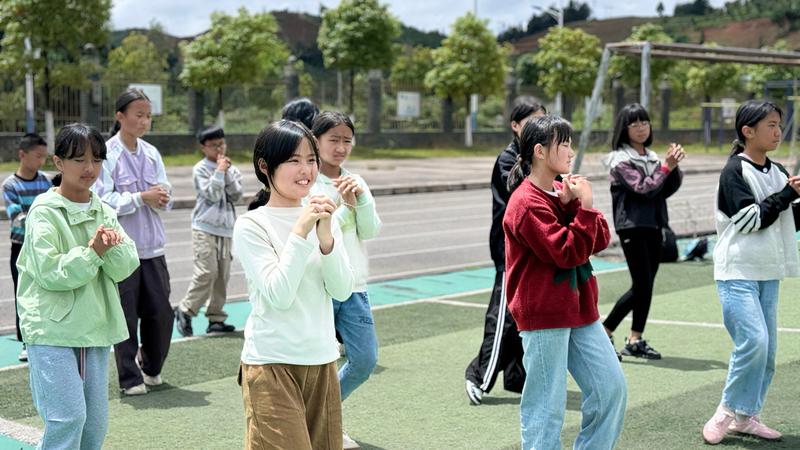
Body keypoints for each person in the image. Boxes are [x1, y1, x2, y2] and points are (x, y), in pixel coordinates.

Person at [504, 116, 626, 450]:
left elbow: (599, 238)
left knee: (611, 388)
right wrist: (583, 206)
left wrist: (580, 204)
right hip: (543, 313)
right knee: (547, 406)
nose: (570, 151)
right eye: (564, 143)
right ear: (540, 152)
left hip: (579, 308)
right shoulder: (525, 202)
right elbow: (566, 252)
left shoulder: (561, 189)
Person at [233, 120, 355, 449]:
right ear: (264, 166)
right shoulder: (251, 225)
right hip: (271, 363)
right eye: (293, 160)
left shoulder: (324, 215)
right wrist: (301, 233)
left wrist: (327, 238)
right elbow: (279, 294)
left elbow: (342, 290)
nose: (306, 170)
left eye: (311, 159)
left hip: (322, 361)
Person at [16, 123, 139, 449]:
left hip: (94, 327)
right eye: (79, 160)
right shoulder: (43, 212)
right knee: (66, 417)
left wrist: (108, 252)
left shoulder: (104, 210)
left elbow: (126, 266)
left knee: (94, 426)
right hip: (51, 329)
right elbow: (51, 272)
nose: (90, 169)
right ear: (58, 163)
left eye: (97, 160)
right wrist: (94, 251)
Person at [702, 100, 800, 445]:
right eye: (771, 125)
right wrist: (788, 194)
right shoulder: (734, 171)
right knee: (754, 341)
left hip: (768, 271)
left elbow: (788, 217)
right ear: (748, 131)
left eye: (779, 125)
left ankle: (747, 417)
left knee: (768, 350)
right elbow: (749, 220)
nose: (778, 132)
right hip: (737, 271)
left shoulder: (777, 170)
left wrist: (793, 198)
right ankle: (727, 410)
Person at [465, 98, 546, 405]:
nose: (538, 129)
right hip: (510, 248)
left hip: (535, 248)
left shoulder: (541, 157)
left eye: (543, 122)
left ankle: (516, 376)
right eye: (532, 122)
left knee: (525, 312)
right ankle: (479, 375)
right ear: (515, 125)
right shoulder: (509, 159)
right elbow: (527, 194)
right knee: (503, 315)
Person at [94, 88, 174, 396]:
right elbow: (104, 200)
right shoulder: (107, 154)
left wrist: (162, 197)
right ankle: (129, 378)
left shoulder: (152, 153)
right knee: (125, 317)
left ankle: (151, 366)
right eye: (138, 115)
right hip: (121, 250)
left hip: (153, 248)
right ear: (120, 117)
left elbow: (164, 191)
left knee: (161, 313)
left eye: (148, 116)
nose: (144, 121)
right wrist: (141, 197)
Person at [309, 111, 381, 448]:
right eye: (333, 139)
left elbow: (370, 230)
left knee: (364, 360)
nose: (340, 147)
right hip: (319, 287)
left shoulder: (356, 180)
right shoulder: (305, 181)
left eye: (346, 140)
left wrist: (359, 201)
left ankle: (324, 414)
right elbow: (312, 232)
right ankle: (325, 424)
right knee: (318, 362)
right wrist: (340, 205)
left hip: (354, 287)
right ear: (316, 140)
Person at [602, 103, 685, 360]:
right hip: (633, 227)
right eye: (635, 123)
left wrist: (673, 167)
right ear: (624, 129)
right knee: (642, 284)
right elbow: (643, 188)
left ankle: (635, 338)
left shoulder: (651, 157)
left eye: (645, 122)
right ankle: (604, 331)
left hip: (654, 224)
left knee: (645, 286)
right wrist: (665, 167)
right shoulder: (619, 159)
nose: (641, 128)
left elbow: (664, 189)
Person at [174, 125, 243, 337]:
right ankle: (185, 310)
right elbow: (211, 195)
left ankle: (216, 317)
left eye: (221, 144)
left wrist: (227, 173)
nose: (219, 149)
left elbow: (236, 195)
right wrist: (220, 172)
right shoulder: (201, 169)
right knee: (207, 271)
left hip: (226, 228)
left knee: (222, 274)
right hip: (204, 227)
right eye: (213, 146)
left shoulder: (232, 169)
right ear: (203, 147)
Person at [2, 133, 51, 362]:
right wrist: (42, 221)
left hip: (46, 246)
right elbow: (16, 216)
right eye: (38, 156)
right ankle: (25, 341)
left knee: (47, 291)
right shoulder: (10, 185)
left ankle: (48, 335)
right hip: (21, 247)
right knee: (23, 293)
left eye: (44, 156)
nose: (42, 161)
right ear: (22, 154)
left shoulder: (46, 181)